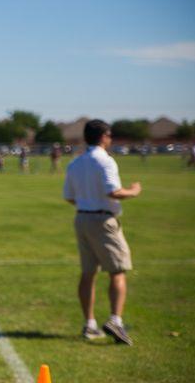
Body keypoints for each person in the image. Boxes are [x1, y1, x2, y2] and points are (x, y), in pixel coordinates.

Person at [63, 119, 141, 346]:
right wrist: (134, 191)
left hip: (82, 217)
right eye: (110, 135)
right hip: (104, 219)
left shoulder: (75, 163)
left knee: (88, 272)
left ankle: (90, 324)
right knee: (118, 271)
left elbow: (69, 196)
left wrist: (87, 201)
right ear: (104, 136)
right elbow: (113, 191)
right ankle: (116, 320)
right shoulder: (105, 161)